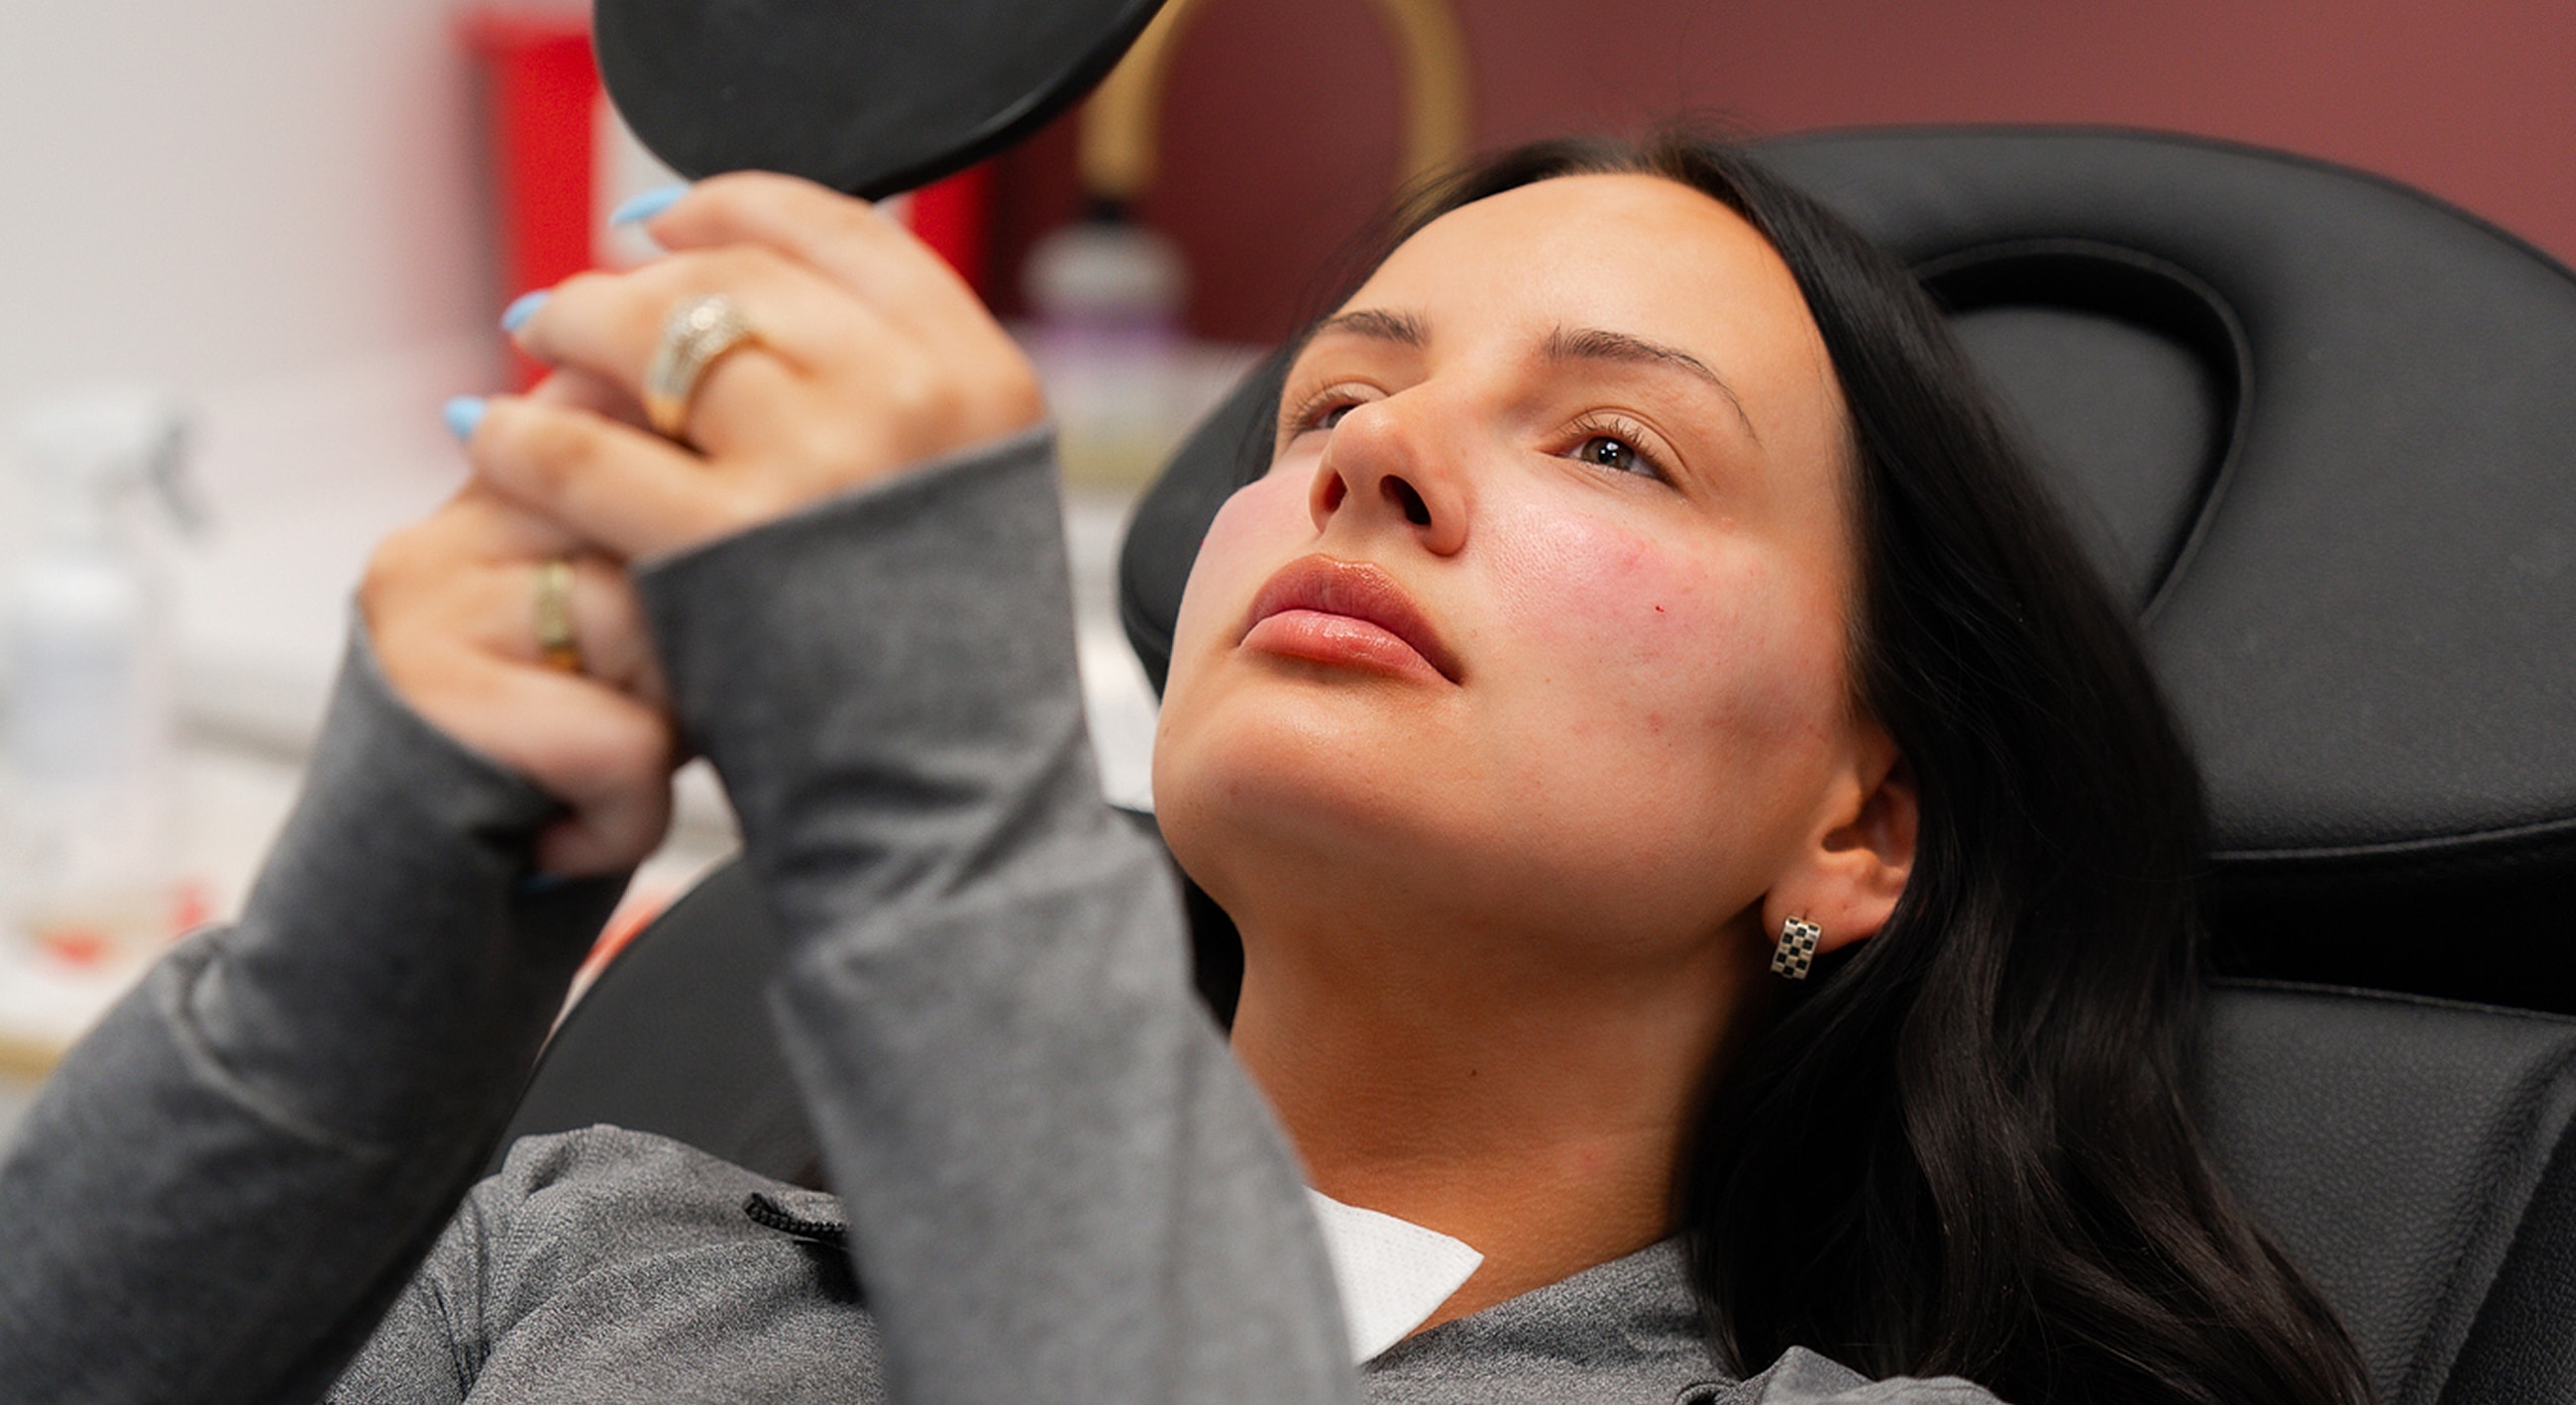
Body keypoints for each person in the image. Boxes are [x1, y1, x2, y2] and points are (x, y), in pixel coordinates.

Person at [0, 132, 2373, 1405]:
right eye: (1332, 400)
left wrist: (935, 812)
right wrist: (388, 921)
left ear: (1855, 826)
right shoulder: (573, 1250)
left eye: (1620, 446)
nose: (1380, 458)